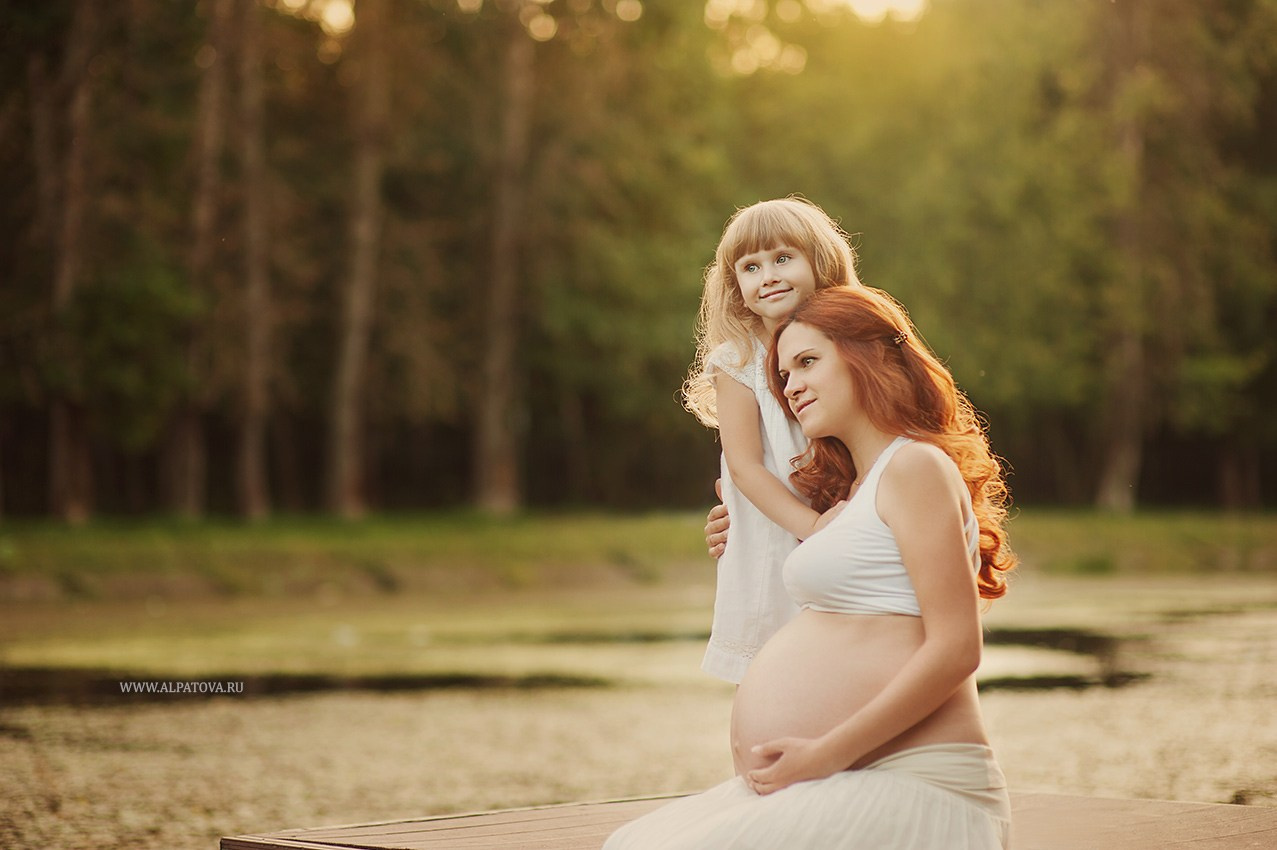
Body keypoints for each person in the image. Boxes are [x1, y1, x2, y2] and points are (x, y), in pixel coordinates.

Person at [606, 286, 1017, 849]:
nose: (791, 387)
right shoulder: (854, 494)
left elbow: (957, 649)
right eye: (783, 375)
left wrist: (823, 755)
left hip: (913, 782)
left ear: (868, 356)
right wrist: (736, 530)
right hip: (843, 775)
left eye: (807, 363)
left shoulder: (915, 467)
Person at [683, 197, 862, 684]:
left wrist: (843, 525)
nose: (769, 276)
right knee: (777, 674)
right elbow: (744, 468)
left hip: (848, 517)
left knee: (845, 668)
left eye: (783, 258)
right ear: (736, 286)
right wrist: (815, 528)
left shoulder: (853, 342)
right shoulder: (737, 359)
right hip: (777, 530)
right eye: (751, 267)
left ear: (820, 262)